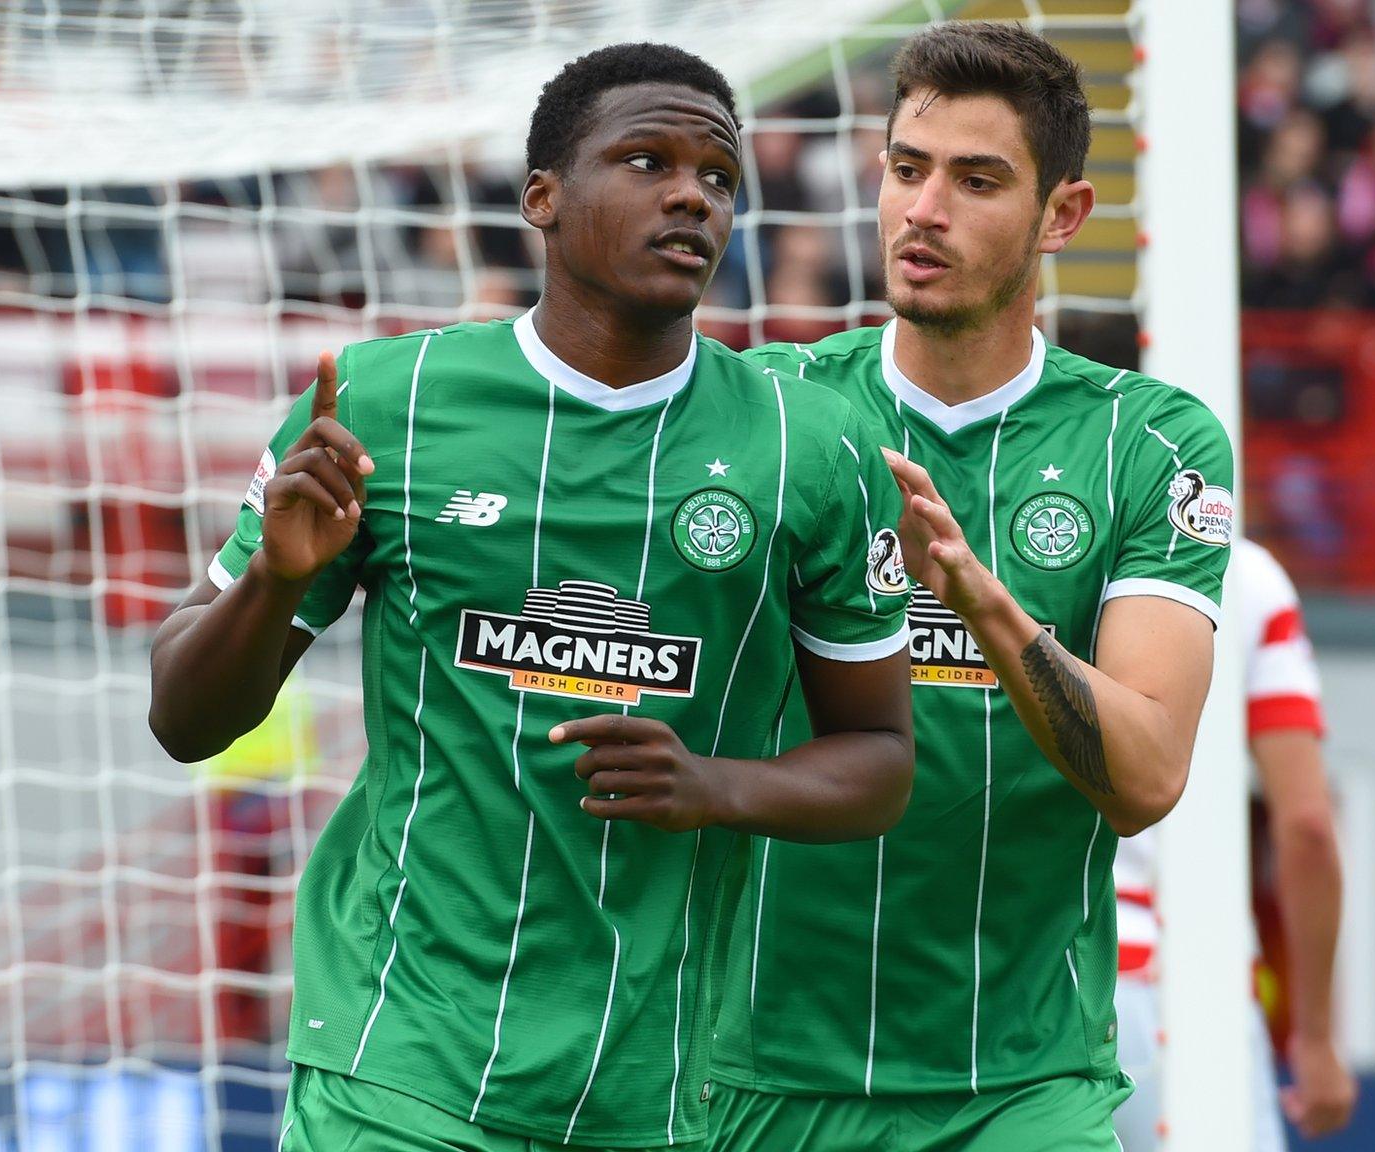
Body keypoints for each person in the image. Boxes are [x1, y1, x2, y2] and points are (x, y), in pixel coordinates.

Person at [149, 43, 918, 1151]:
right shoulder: (383, 401)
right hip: (395, 1063)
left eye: (716, 174)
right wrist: (276, 580)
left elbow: (880, 763)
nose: (690, 193)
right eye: (646, 158)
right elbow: (183, 715)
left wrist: (715, 784)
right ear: (542, 200)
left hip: (654, 1087)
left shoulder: (811, 447)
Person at [710, 22, 1234, 1151]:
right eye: (906, 169)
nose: (922, 208)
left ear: (1062, 217)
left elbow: (1144, 775)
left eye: (974, 179)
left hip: (1019, 1086)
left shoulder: (1148, 443)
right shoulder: (766, 408)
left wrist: (970, 592)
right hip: (744, 1073)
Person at [1110, 538, 1355, 1152]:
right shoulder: (1251, 577)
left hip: (1033, 978)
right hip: (1189, 985)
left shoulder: (1025, 538)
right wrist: (1316, 1036)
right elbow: (1307, 827)